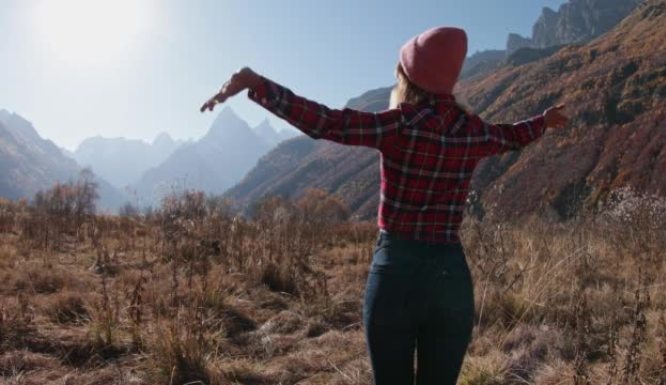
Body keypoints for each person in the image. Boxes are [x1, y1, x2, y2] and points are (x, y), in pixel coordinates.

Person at [201, 26, 568, 385]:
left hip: (397, 272)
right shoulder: (475, 132)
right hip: (451, 278)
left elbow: (328, 123)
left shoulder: (399, 125)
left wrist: (258, 84)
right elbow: (513, 136)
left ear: (410, 79)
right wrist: (544, 122)